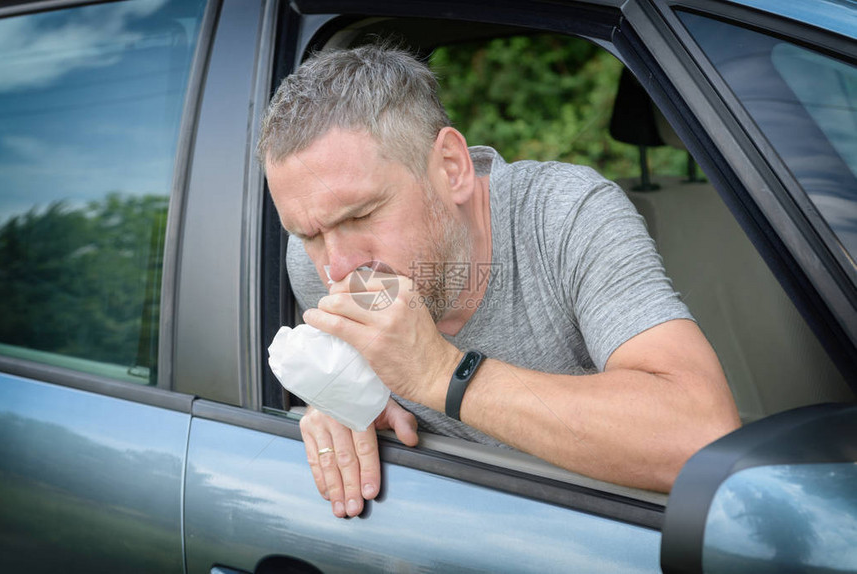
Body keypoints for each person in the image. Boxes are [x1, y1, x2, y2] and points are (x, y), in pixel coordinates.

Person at [257, 44, 741, 519]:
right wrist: (338, 401)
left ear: (451, 167)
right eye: (308, 234)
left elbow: (700, 435)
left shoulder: (563, 217)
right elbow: (348, 388)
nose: (337, 269)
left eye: (361, 215)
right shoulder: (316, 261)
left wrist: (440, 374)